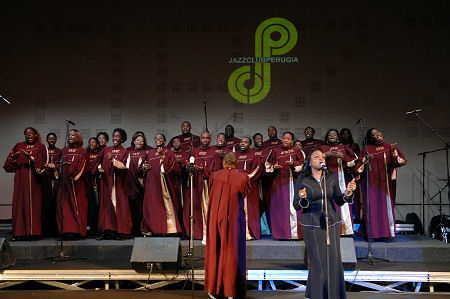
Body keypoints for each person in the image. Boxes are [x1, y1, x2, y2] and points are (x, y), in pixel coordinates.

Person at [294, 147, 357, 299]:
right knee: (317, 261)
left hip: (332, 223)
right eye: (316, 157)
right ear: (309, 162)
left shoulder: (331, 177)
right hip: (311, 224)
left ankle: (334, 294)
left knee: (333, 260)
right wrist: (302, 198)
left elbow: (338, 200)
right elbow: (296, 205)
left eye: (322, 157)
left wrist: (347, 194)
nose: (321, 159)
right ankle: (317, 294)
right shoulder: (303, 179)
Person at [205, 152, 250, 299]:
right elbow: (244, 193)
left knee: (215, 250)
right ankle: (232, 291)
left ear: (223, 162)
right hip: (234, 220)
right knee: (232, 252)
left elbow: (211, 191)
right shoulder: (243, 177)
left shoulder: (214, 176)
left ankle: (214, 289)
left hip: (215, 219)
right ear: (236, 163)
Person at [356, 128, 407, 240]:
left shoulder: (389, 147)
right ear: (370, 138)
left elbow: (399, 162)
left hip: (385, 184)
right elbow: (358, 167)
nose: (378, 134)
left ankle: (387, 233)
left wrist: (394, 153)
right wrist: (365, 159)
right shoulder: (366, 149)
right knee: (372, 207)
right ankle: (372, 234)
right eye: (374, 134)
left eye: (378, 132)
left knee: (385, 207)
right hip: (370, 183)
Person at [4, 127, 48, 241]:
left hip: (35, 182)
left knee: (34, 207)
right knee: (20, 206)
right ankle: (19, 233)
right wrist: (12, 159)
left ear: (36, 135)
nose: (28, 135)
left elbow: (44, 164)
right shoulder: (18, 146)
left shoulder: (41, 147)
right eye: (26, 133)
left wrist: (32, 158)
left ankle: (34, 233)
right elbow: (7, 166)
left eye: (31, 133)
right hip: (20, 182)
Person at [140, 133, 182, 236]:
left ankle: (168, 229)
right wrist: (144, 167)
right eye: (156, 138)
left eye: (160, 138)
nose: (158, 139)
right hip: (152, 184)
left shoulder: (169, 152)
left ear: (164, 140)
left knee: (165, 207)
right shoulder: (150, 153)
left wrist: (163, 157)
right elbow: (143, 166)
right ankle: (153, 230)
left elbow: (172, 167)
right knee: (152, 207)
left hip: (163, 184)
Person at [265, 132, 305, 239]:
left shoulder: (297, 151)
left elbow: (303, 164)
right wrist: (274, 167)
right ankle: (282, 234)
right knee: (280, 208)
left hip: (294, 181)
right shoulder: (275, 151)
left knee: (296, 206)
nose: (285, 140)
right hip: (280, 182)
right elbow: (267, 165)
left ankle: (297, 234)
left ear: (292, 141)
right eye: (284, 138)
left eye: (288, 139)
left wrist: (294, 165)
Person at [183, 131, 221, 241]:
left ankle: (206, 233)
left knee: (206, 208)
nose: (205, 140)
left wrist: (202, 169)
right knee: (193, 208)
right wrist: (188, 166)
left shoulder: (214, 153)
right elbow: (187, 164)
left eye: (207, 138)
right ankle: (193, 233)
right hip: (194, 183)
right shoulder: (194, 151)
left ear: (210, 139)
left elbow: (216, 171)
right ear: (200, 139)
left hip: (206, 184)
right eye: (203, 138)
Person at [320, 129, 358, 235]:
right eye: (330, 134)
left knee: (343, 201)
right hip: (325, 178)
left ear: (338, 137)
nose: (332, 135)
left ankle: (345, 229)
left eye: (334, 134)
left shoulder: (344, 147)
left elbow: (354, 161)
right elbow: (312, 161)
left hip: (341, 178)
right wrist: (324, 155)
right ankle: (326, 228)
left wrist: (343, 157)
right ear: (327, 137)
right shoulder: (322, 148)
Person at [95, 128, 131, 240]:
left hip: (118, 184)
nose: (115, 138)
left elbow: (125, 167)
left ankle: (119, 232)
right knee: (106, 208)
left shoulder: (125, 152)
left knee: (119, 207)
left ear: (122, 138)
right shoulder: (106, 150)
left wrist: (113, 160)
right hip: (106, 183)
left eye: (118, 136)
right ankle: (107, 232)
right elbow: (97, 162)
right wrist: (99, 168)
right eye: (114, 136)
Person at [56, 129, 88, 240]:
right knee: (63, 207)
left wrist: (72, 172)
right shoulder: (64, 150)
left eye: (73, 135)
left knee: (77, 207)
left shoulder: (82, 151)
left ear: (78, 137)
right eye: (69, 135)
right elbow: (58, 166)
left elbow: (82, 168)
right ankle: (65, 231)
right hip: (63, 185)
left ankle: (77, 231)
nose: (70, 137)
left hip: (76, 185)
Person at [236, 137, 262, 240]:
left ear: (250, 144)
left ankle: (251, 233)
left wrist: (243, 178)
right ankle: (238, 233)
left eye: (245, 142)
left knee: (251, 210)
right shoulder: (235, 156)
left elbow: (257, 170)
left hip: (250, 188)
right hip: (236, 188)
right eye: (241, 142)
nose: (242, 144)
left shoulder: (254, 156)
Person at [126, 132, 148, 236]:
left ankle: (139, 229)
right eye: (138, 140)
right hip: (128, 183)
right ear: (134, 141)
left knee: (140, 207)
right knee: (130, 207)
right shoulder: (127, 152)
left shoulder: (146, 152)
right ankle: (130, 229)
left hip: (141, 183)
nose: (140, 142)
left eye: (142, 141)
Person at [42, 132, 62, 237]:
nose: (51, 140)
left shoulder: (60, 151)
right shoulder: (43, 150)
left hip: (56, 180)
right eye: (49, 138)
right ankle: (45, 230)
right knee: (45, 205)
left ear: (56, 140)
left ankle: (55, 229)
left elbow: (61, 164)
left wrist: (54, 166)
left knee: (55, 204)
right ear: (46, 139)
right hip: (45, 180)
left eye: (53, 139)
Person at [253, 132, 271, 236]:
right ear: (253, 140)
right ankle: (258, 228)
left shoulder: (267, 151)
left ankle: (266, 228)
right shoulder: (251, 152)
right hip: (256, 181)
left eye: (261, 139)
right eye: (257, 139)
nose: (259, 140)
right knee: (258, 204)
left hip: (266, 181)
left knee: (266, 204)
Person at [86, 137, 101, 235]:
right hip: (88, 182)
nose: (91, 144)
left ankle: (97, 227)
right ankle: (90, 226)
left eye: (93, 142)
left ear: (98, 144)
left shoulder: (100, 154)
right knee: (90, 205)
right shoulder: (86, 154)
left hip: (98, 182)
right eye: (90, 142)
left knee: (97, 204)